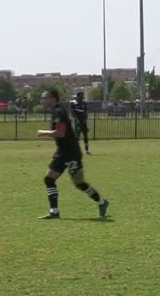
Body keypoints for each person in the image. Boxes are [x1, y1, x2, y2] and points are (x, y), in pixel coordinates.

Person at [37, 89, 109, 220]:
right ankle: (54, 211)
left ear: (53, 98)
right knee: (49, 179)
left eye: (45, 97)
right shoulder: (56, 111)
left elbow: (60, 132)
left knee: (79, 183)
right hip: (62, 152)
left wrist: (43, 132)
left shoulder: (59, 112)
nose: (43, 100)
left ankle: (102, 202)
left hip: (70, 153)